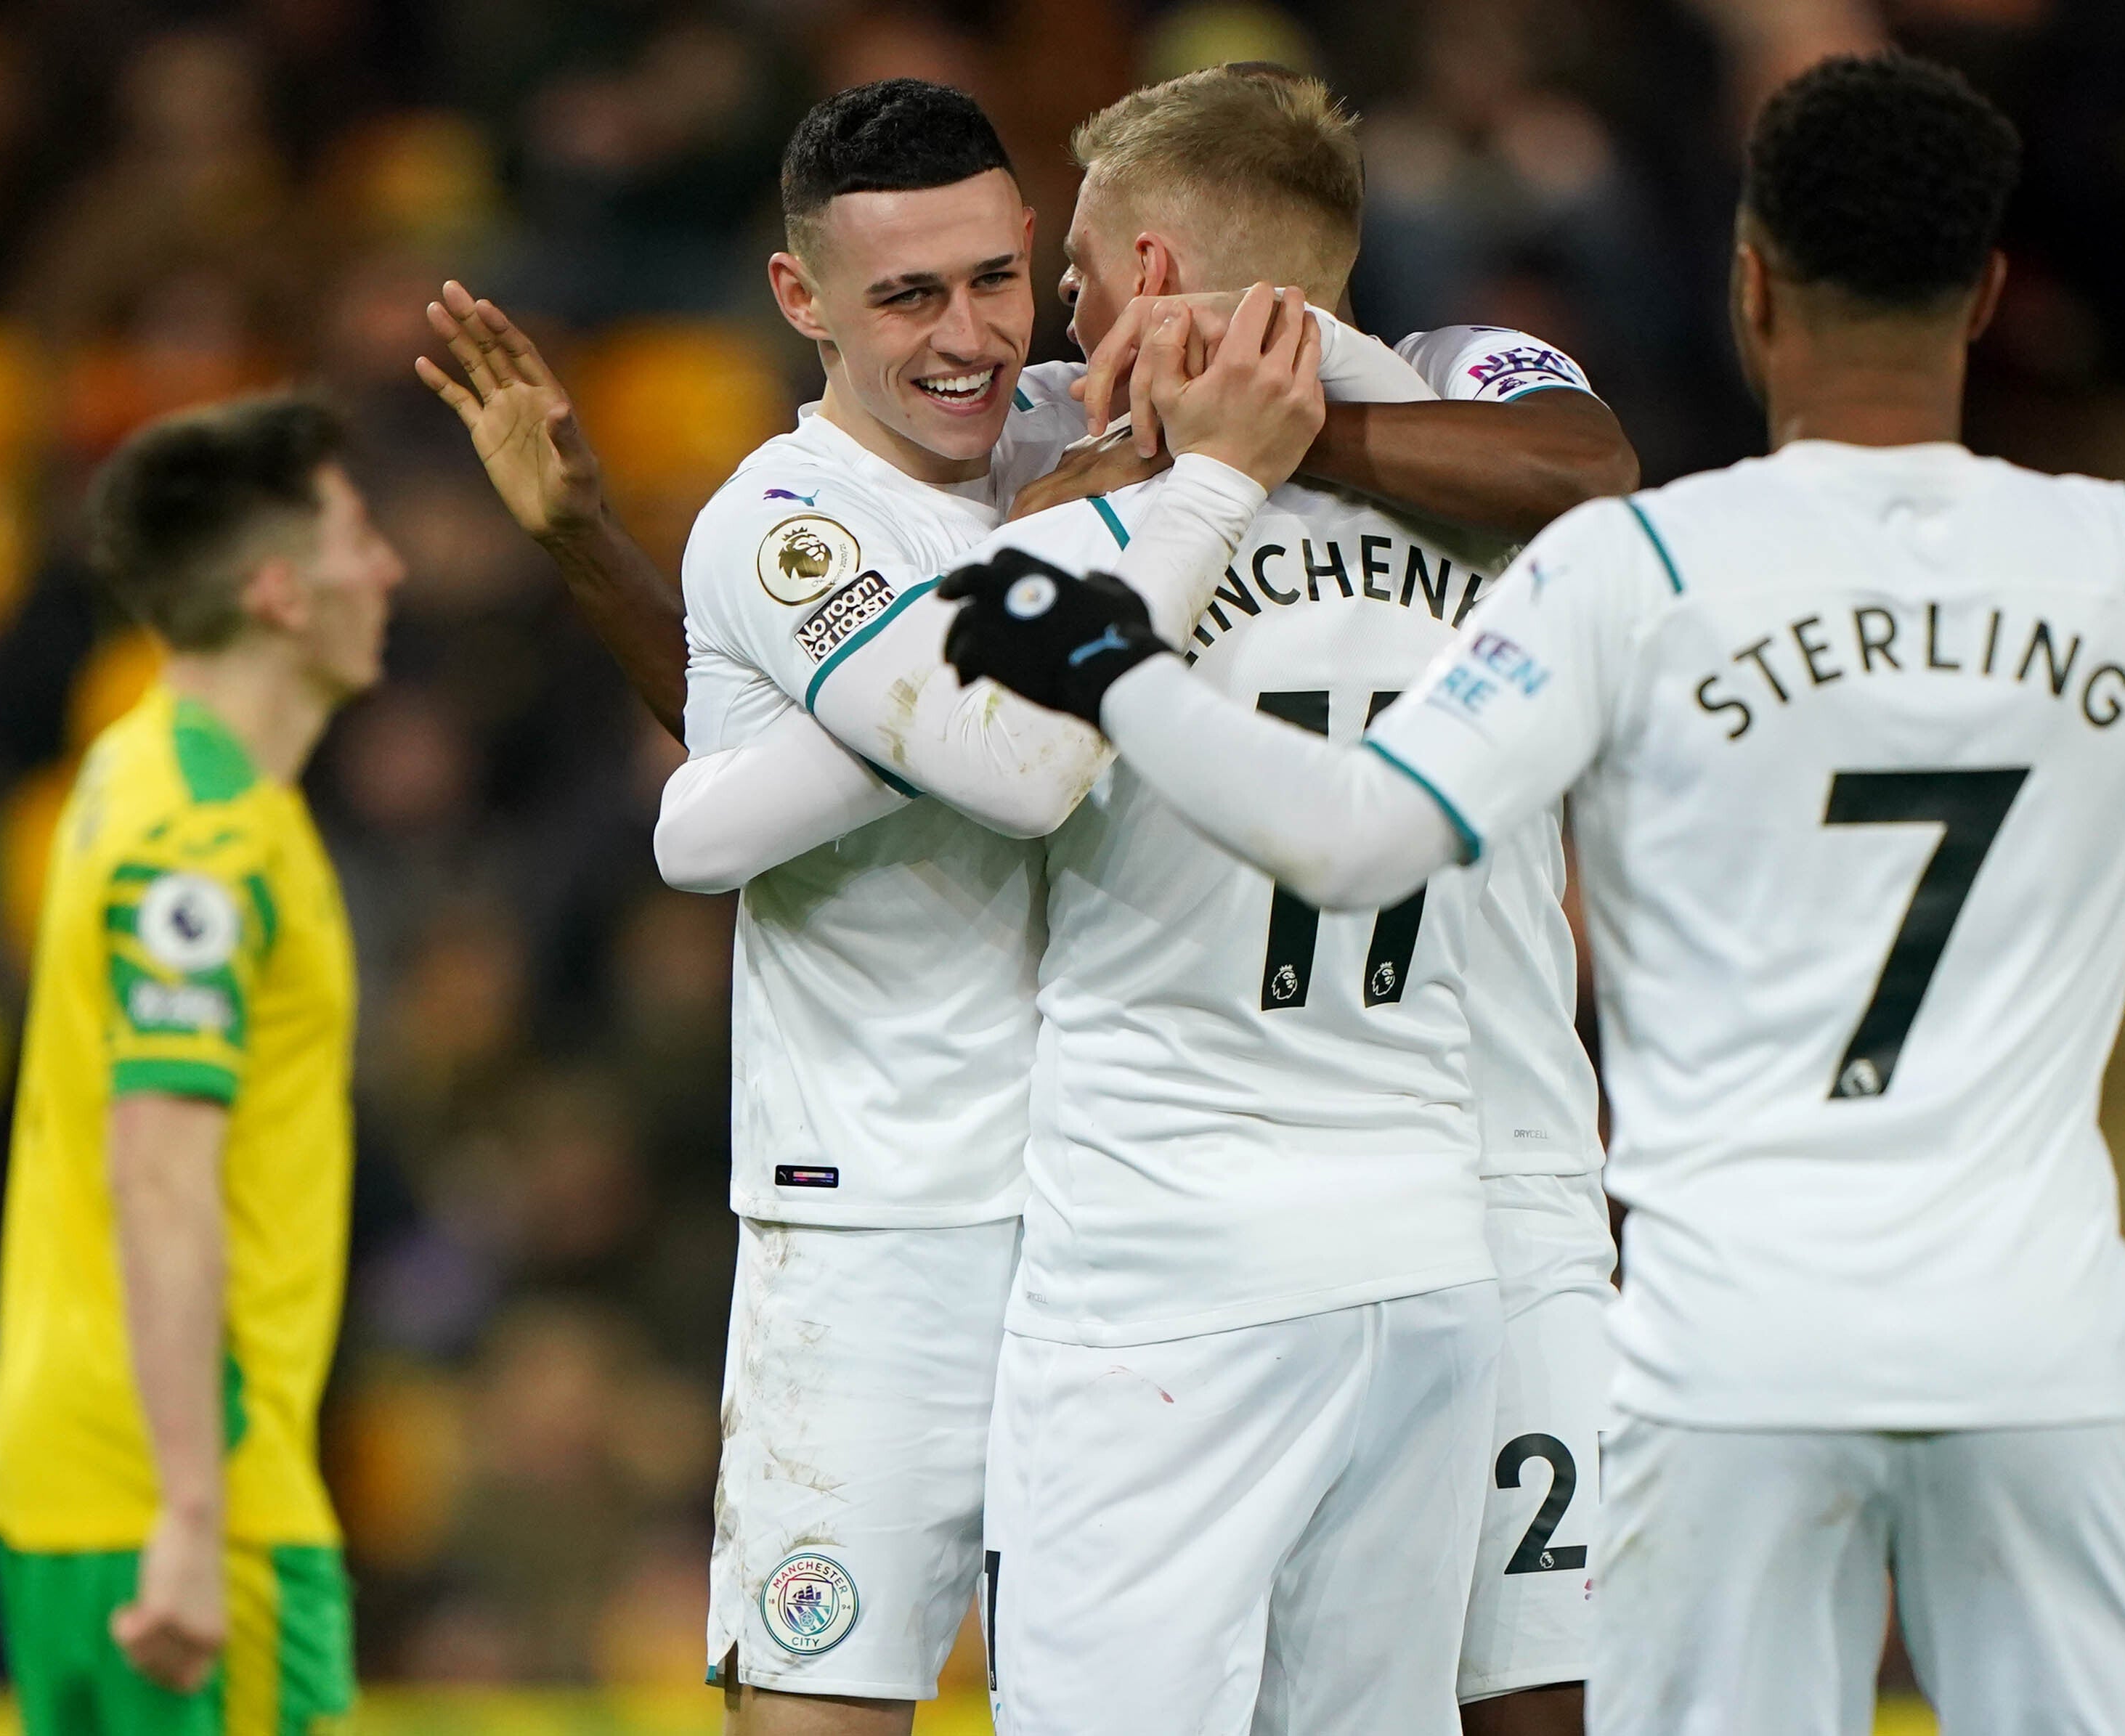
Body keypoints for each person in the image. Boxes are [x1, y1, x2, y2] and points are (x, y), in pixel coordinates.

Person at [937, 53, 2125, 1736]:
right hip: (2031, 1332)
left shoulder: (1649, 577)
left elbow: (1348, 834)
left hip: (1724, 1335)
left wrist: (1125, 671)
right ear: (1988, 293)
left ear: (1750, 286)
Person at [419, 75, 1627, 1735]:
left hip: (1196, 1226)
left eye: (1021, 278)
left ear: (1120, 261)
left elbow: (1589, 465)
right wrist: (620, 596)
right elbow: (924, 727)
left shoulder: (1215, 417)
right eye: (922, 293)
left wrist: (1226, 452)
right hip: (991, 1208)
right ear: (808, 300)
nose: (999, 332)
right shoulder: (921, 477)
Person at [0, 396, 406, 1735]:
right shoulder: (208, 842)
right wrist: (190, 1513)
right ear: (280, 591)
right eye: (358, 536)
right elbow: (160, 1171)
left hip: (69, 1475)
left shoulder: (131, 772)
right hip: (187, 1496)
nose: (387, 568)